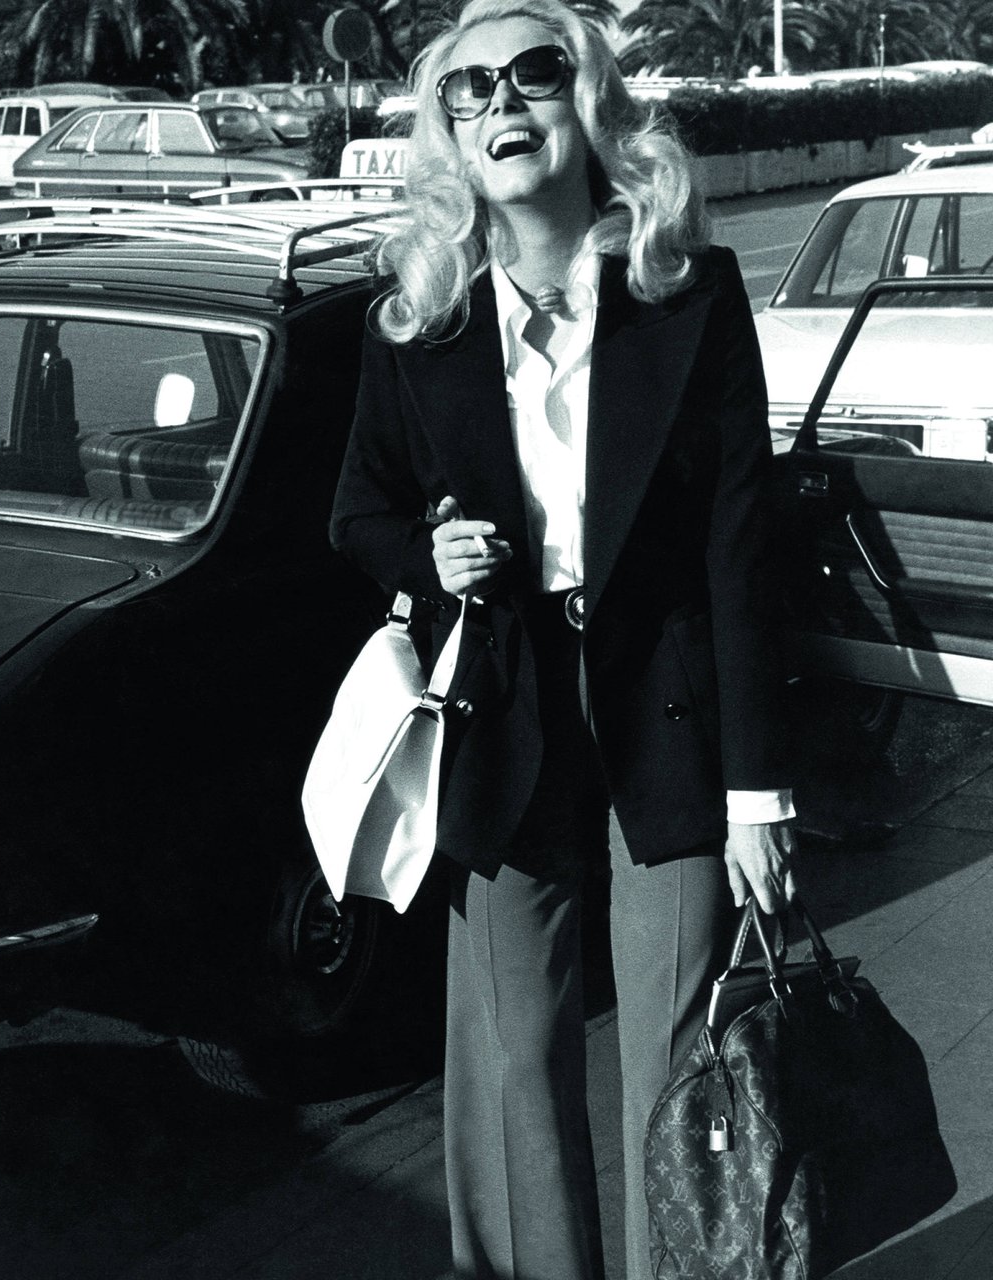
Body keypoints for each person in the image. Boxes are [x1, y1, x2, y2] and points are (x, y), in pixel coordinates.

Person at [329, 2, 797, 1276]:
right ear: (447, 134)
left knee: (681, 1052)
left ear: (587, 107)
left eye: (533, 76)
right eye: (468, 91)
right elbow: (356, 512)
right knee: (513, 1054)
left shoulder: (686, 296)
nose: (500, 106)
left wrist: (758, 790)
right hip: (501, 711)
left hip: (670, 712)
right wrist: (422, 560)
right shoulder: (416, 322)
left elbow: (740, 548)